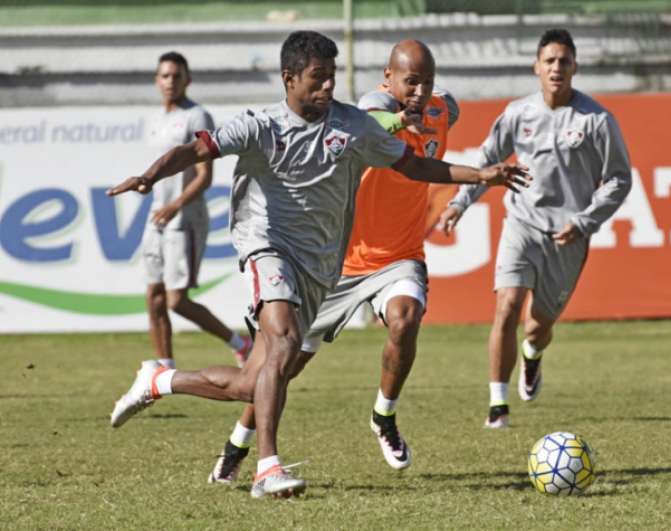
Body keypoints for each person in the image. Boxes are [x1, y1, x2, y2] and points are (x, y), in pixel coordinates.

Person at [107, 31, 530, 500]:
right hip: (266, 246)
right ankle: (267, 469)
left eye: (331, 77)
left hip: (321, 264)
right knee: (285, 341)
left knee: (256, 381)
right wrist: (150, 174)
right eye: (318, 78)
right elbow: (198, 150)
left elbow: (413, 167)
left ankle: (160, 380)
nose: (328, 87)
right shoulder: (259, 125)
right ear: (289, 79)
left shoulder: (351, 127)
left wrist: (482, 175)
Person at [207, 39, 465, 484]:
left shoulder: (445, 108)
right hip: (337, 262)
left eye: (427, 82)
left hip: (399, 257)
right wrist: (398, 116)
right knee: (282, 365)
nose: (420, 91)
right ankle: (238, 444)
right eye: (410, 81)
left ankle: (384, 415)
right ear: (389, 77)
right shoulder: (371, 109)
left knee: (405, 320)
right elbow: (375, 116)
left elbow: (444, 116)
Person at [440, 28, 632, 429]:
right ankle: (497, 405)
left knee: (538, 325)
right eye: (549, 61)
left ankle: (532, 353)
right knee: (507, 304)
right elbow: (488, 163)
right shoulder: (517, 114)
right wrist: (459, 203)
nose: (556, 68)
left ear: (575, 66)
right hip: (522, 223)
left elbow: (619, 178)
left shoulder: (596, 120)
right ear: (537, 67)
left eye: (564, 61)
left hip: (568, 235)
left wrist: (584, 221)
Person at [142, 51, 251, 369]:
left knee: (176, 300)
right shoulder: (154, 121)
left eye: (176, 75)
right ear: (156, 80)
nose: (170, 81)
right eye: (165, 75)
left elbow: (204, 177)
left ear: (187, 80)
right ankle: (164, 367)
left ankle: (241, 343)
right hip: (157, 218)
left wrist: (175, 205)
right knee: (154, 296)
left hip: (185, 218)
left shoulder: (197, 116)